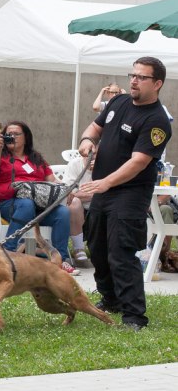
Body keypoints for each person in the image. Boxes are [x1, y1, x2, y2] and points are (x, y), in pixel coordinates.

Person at [78, 56, 171, 331]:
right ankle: (111, 300)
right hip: (102, 189)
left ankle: (134, 316)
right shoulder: (118, 102)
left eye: (141, 77)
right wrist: (86, 142)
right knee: (96, 247)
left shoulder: (157, 121)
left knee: (121, 252)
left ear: (157, 83)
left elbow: (139, 162)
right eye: (132, 75)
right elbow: (95, 127)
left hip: (129, 194)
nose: (133, 80)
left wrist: (106, 182)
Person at [0, 121, 79, 275]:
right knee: (26, 204)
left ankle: (61, 260)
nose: (12, 137)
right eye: (9, 134)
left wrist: (67, 189)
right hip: (9, 204)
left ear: (26, 137)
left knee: (62, 212)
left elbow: (52, 180)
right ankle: (7, 252)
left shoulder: (36, 158)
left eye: (16, 134)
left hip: (39, 206)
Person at [62, 151, 98, 267]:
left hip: (99, 206)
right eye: (90, 153)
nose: (93, 157)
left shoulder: (109, 165)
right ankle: (78, 249)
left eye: (98, 153)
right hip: (80, 208)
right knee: (74, 202)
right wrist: (95, 195)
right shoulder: (75, 165)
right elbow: (69, 193)